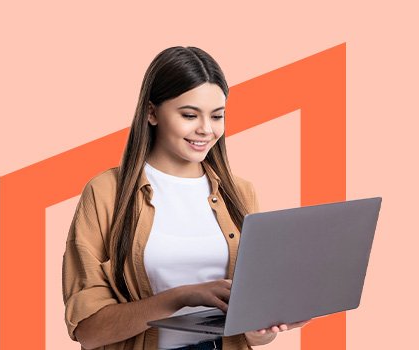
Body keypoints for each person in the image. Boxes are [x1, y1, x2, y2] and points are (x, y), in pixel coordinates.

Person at [62, 46, 310, 350]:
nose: (206, 130)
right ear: (151, 113)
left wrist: (262, 329)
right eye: (190, 115)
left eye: (217, 116)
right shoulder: (106, 193)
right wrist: (181, 297)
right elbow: (89, 331)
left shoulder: (241, 193)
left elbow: (254, 332)